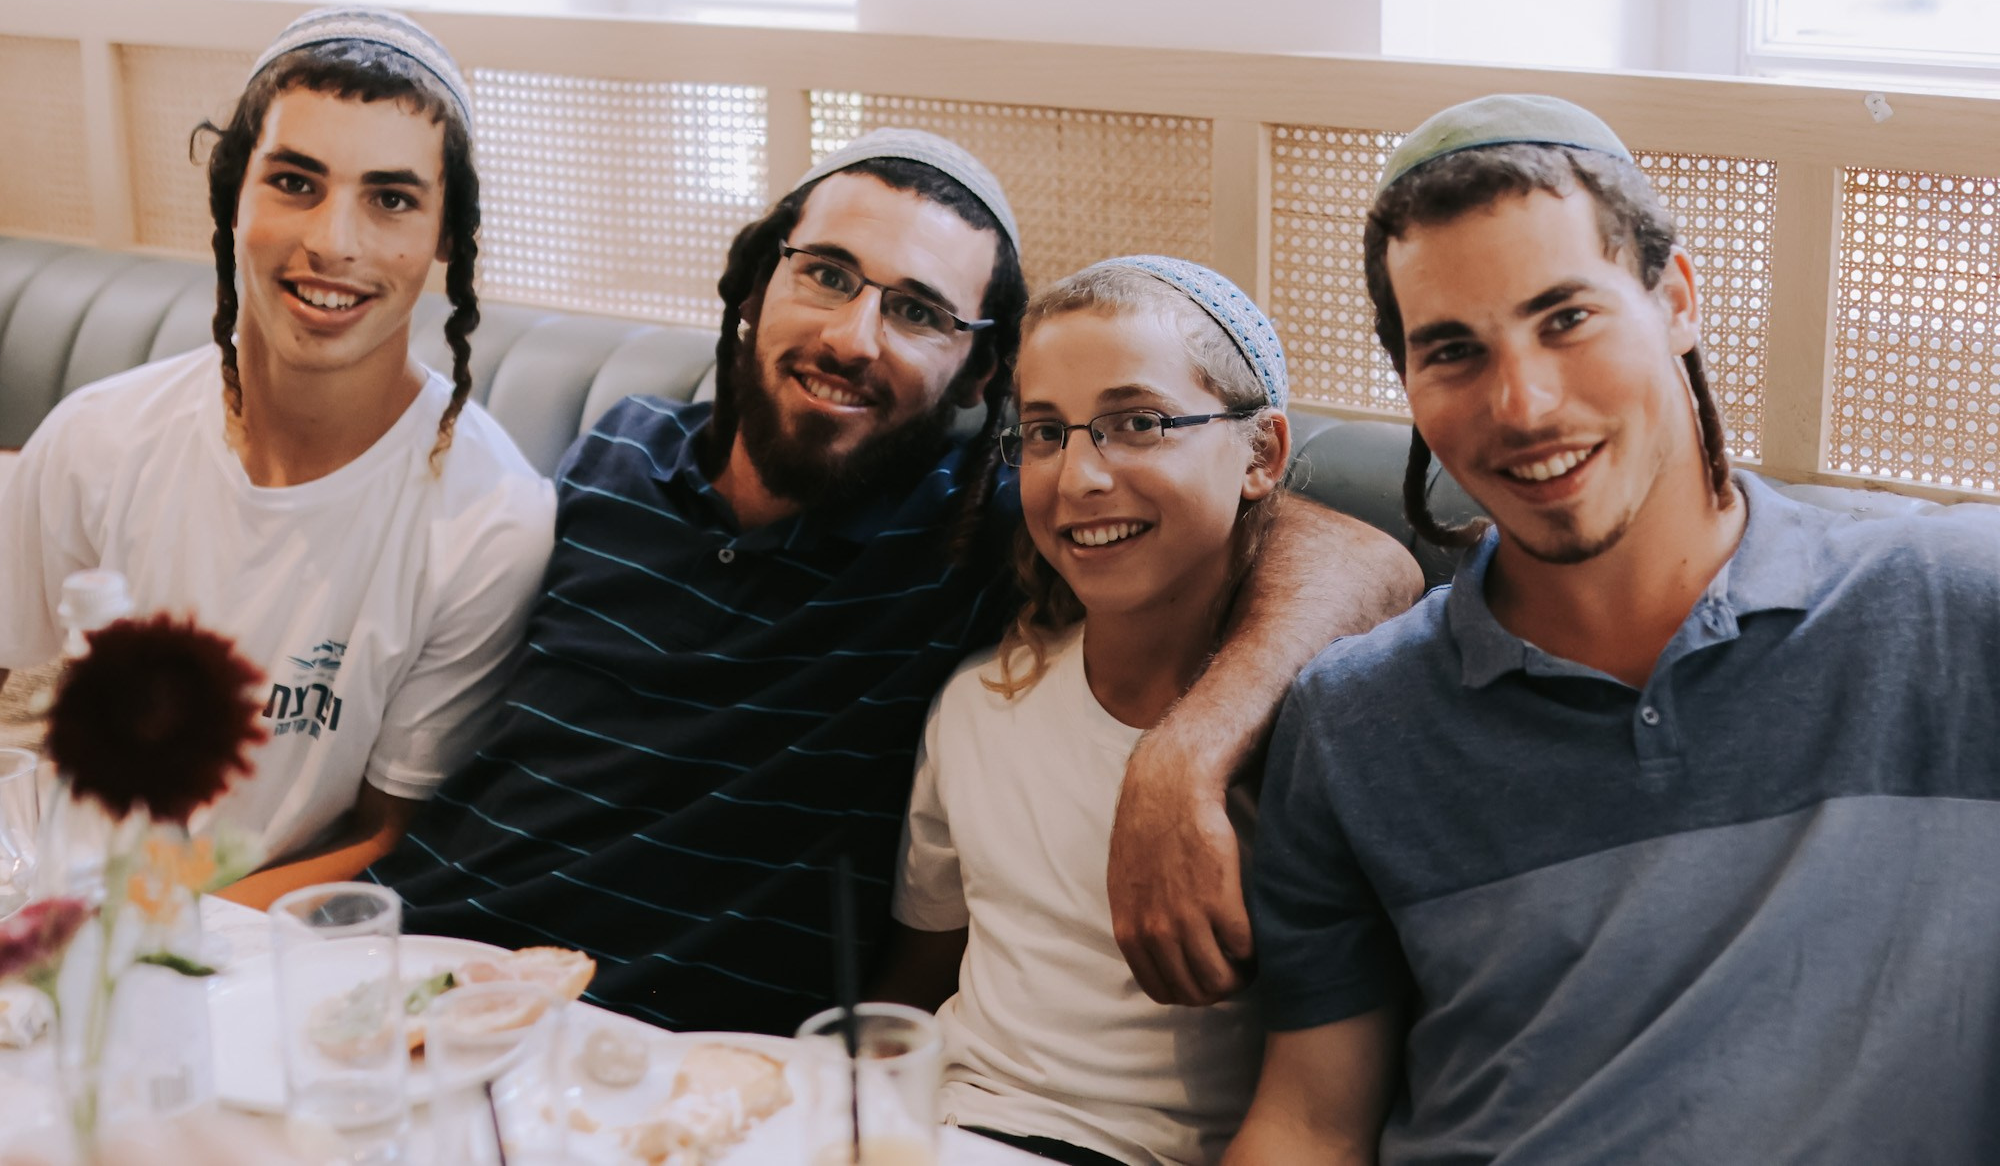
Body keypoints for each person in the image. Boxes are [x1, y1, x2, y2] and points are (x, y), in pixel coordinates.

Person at [373, 130, 1421, 1036]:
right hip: (405, 973)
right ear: (755, 284)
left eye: (919, 311)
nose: (850, 336)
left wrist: (1185, 757)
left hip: (666, 1065)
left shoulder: (980, 527)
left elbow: (1361, 558)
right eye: (824, 273)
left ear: (977, 378)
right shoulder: (619, 453)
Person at [1228, 94, 2000, 1165]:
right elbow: (1309, 1122)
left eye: (1566, 317)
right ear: (1407, 384)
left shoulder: (1951, 612)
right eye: (1452, 350)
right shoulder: (1353, 723)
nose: (1525, 404)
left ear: (1674, 298)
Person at [0, 7, 555, 905]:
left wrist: (154, 944)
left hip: (261, 952)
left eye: (391, 198)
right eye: (295, 182)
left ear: (444, 238)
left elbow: (384, 832)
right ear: (233, 195)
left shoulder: (491, 519)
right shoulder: (100, 435)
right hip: (39, 922)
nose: (335, 242)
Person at [888, 257, 1292, 1166]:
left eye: (1136, 423)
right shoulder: (979, 706)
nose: (1078, 478)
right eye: (1043, 433)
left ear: (1261, 453)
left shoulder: (1311, 737)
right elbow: (929, 967)